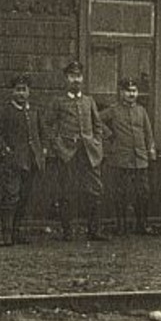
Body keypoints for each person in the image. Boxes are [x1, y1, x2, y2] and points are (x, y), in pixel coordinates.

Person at [44, 60, 108, 241]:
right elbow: (47, 126)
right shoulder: (58, 102)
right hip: (68, 153)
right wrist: (58, 146)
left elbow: (98, 126)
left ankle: (93, 230)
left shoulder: (89, 101)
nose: (76, 80)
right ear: (66, 78)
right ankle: (68, 231)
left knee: (95, 190)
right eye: (72, 76)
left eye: (78, 76)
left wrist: (96, 144)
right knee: (67, 191)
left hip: (89, 153)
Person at [0, 73, 45, 245]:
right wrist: (5, 151)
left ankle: (16, 231)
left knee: (24, 196)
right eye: (18, 90)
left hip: (31, 160)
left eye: (24, 90)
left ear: (29, 92)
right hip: (13, 161)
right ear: (12, 92)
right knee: (11, 196)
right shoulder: (5, 110)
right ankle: (6, 233)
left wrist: (42, 150)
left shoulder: (34, 110)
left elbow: (42, 132)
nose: (21, 94)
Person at [101, 78, 157, 235]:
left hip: (140, 159)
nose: (131, 94)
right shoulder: (114, 110)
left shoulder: (141, 111)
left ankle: (142, 225)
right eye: (128, 91)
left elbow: (148, 132)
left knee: (143, 193)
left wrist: (150, 150)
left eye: (134, 91)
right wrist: (109, 135)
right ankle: (121, 226)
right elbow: (96, 121)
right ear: (121, 93)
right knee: (121, 194)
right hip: (121, 158)